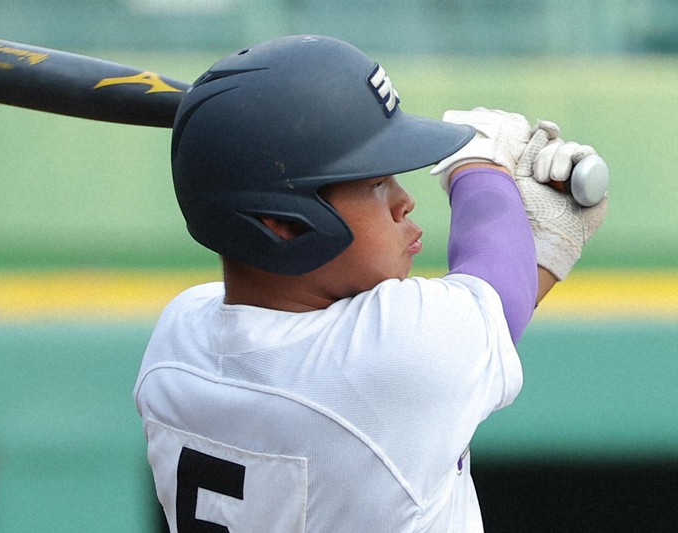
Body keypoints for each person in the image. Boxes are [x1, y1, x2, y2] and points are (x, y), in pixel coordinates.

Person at [133, 34, 607, 532]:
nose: (404, 202)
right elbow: (492, 298)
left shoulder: (176, 344)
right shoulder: (387, 357)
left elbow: (488, 301)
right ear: (287, 223)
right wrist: (480, 163)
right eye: (376, 182)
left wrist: (544, 238)